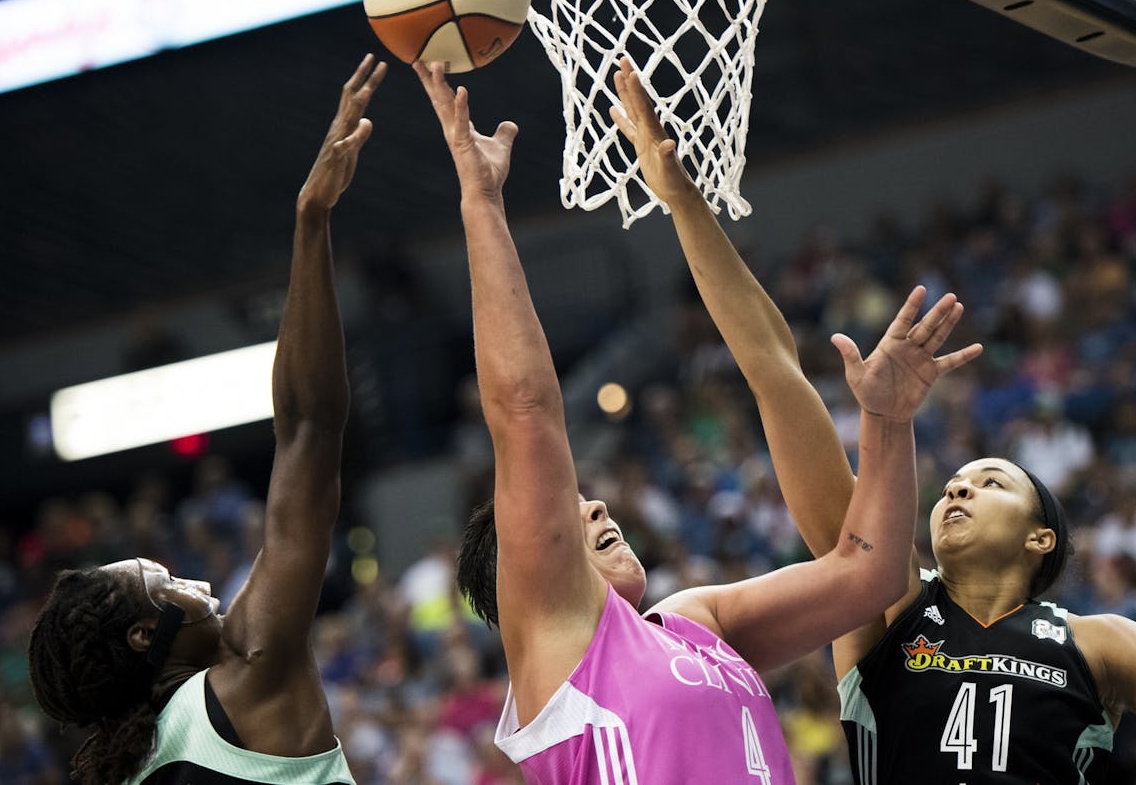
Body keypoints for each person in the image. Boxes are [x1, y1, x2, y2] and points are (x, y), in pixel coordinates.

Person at [611, 50, 1136, 784]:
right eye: (955, 484)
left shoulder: (1107, 646)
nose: (957, 489)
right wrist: (683, 200)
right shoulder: (881, 600)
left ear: (1042, 535)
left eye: (991, 481)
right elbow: (775, 374)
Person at [412, 58, 978, 784]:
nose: (592, 501)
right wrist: (481, 202)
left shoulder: (695, 621)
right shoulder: (556, 639)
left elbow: (867, 573)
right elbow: (525, 411)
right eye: (565, 512)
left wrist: (888, 421)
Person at [26, 55, 387, 785]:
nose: (197, 584)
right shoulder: (248, 673)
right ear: (145, 632)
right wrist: (311, 220)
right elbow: (311, 426)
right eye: (169, 582)